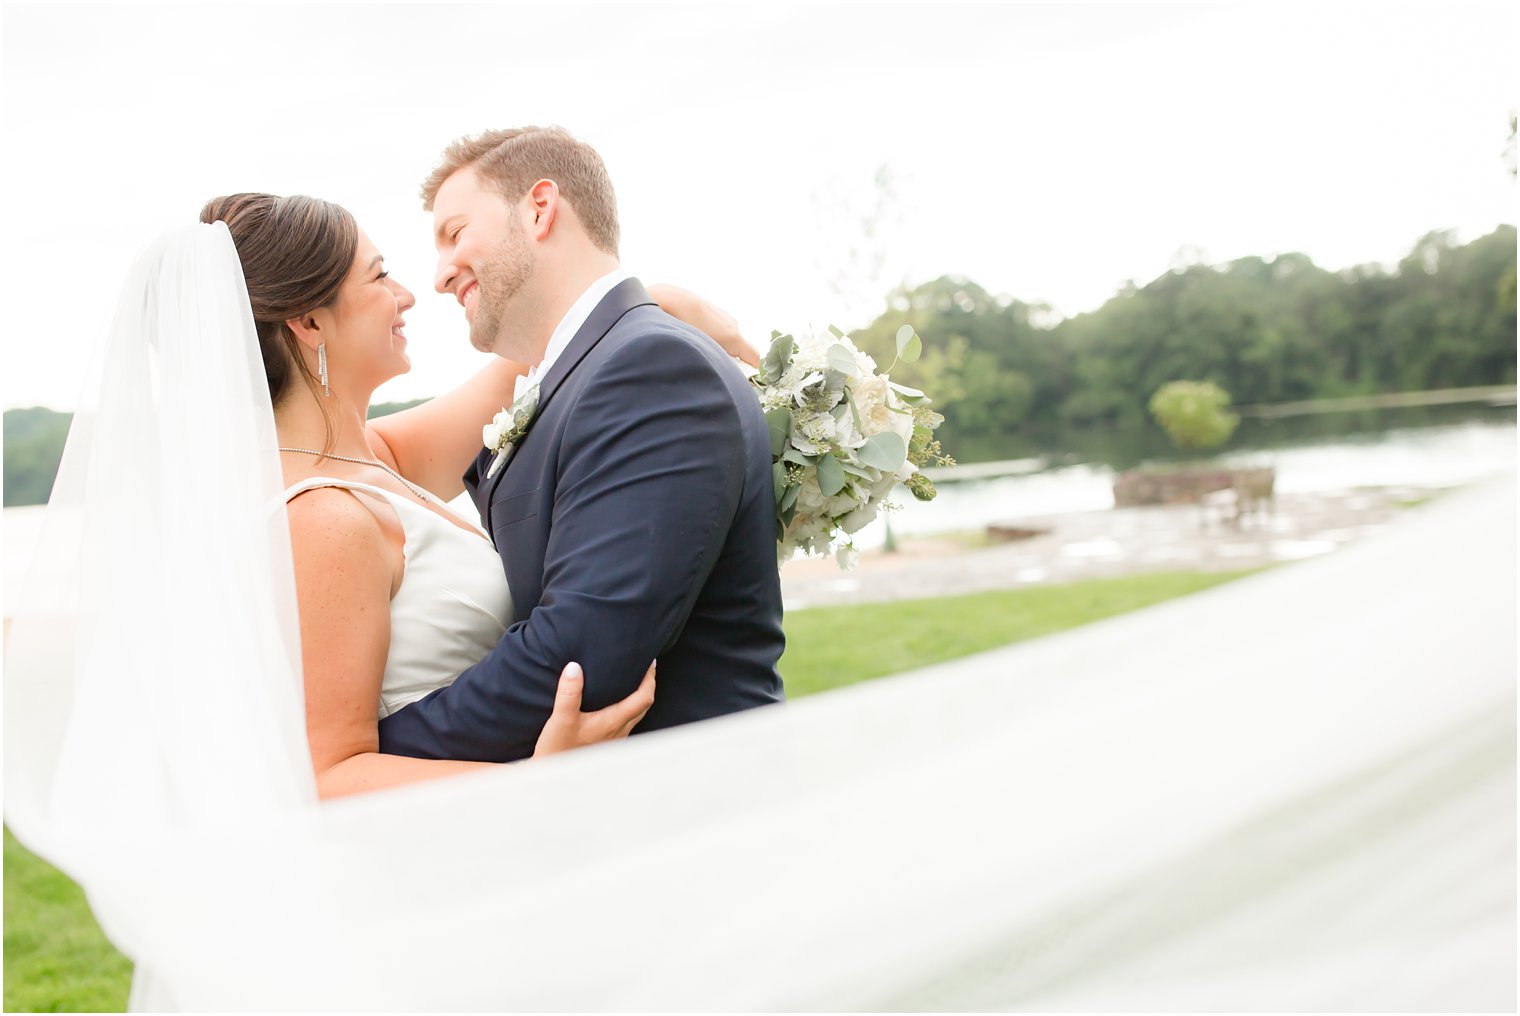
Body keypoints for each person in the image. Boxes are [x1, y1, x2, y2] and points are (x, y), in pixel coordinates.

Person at [198, 191, 761, 797]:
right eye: (380, 276)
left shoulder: (371, 457)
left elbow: (545, 355)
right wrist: (537, 784)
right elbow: (326, 776)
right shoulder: (325, 516)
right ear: (309, 323)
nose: (409, 295)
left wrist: (658, 303)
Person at [375, 127, 787, 762]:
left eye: (454, 233)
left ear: (541, 208)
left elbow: (579, 655)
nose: (438, 276)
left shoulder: (649, 369)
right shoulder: (582, 371)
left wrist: (364, 756)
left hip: (689, 812)